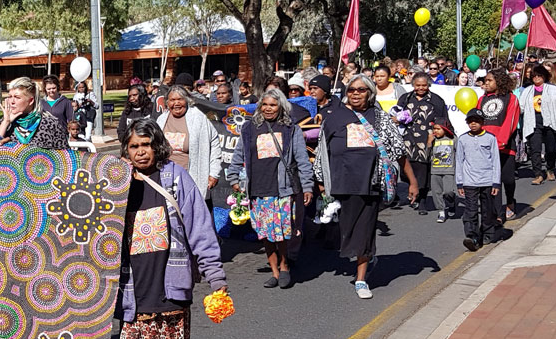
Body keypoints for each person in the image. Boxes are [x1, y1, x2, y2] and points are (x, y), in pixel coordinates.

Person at [118, 119, 227, 339]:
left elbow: (200, 227)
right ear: (126, 150)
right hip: (133, 284)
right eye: (134, 146)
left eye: (146, 145)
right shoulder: (116, 182)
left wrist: (216, 278)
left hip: (171, 282)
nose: (140, 152)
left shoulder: (175, 178)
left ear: (158, 146)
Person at [314, 74, 419, 300]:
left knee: (364, 231)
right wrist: (321, 182)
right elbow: (322, 152)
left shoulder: (379, 117)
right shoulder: (333, 118)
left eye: (361, 90)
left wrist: (413, 182)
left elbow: (399, 151)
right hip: (341, 184)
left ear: (370, 93)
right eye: (352, 90)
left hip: (370, 183)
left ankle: (361, 278)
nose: (355, 94)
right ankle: (368, 256)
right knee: (346, 231)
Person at [227, 88, 313, 289]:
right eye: (264, 104)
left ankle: (284, 266)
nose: (268, 108)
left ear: (281, 107)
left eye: (273, 105)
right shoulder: (249, 129)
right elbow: (238, 155)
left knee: (281, 233)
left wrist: (307, 186)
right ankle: (274, 271)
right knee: (265, 234)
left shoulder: (291, 129)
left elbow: (302, 160)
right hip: (258, 189)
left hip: (282, 190)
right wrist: (233, 178)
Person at [155, 86, 221, 195]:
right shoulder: (161, 120)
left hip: (190, 175)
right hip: (165, 175)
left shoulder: (198, 118)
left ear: (187, 100)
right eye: (172, 100)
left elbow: (214, 143)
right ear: (167, 102)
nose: (176, 103)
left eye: (180, 99)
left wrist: (214, 173)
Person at [396, 72, 447, 213]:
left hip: (426, 139)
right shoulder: (405, 98)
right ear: (413, 85)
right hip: (407, 139)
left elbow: (443, 121)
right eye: (418, 85)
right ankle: (413, 193)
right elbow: (396, 114)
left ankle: (422, 200)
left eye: (424, 85)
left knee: (423, 171)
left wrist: (436, 134)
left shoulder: (436, 101)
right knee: (407, 170)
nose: (421, 88)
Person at [476, 70, 520, 222]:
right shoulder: (481, 99)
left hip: (504, 146)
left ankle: (510, 202)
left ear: (499, 82)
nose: (486, 83)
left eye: (489, 80)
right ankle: (498, 215)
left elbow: (510, 122)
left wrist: (501, 141)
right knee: (494, 181)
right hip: (485, 146)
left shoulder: (511, 98)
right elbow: (477, 120)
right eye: (485, 80)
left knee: (507, 179)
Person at [457, 109, 501, 251]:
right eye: (470, 121)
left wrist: (496, 182)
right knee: (471, 210)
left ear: (482, 122)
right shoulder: (463, 139)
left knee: (487, 209)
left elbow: (496, 161)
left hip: (487, 181)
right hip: (469, 181)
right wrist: (460, 182)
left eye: (476, 121)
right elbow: (459, 161)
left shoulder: (490, 138)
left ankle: (487, 233)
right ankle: (472, 236)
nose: (473, 124)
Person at [518, 65, 556, 185]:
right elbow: (520, 108)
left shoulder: (553, 90)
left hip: (550, 123)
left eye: (539, 75)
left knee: (550, 149)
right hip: (533, 122)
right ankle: (538, 174)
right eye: (534, 76)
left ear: (545, 76)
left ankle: (550, 169)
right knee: (535, 150)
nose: (536, 78)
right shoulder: (527, 91)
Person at [0, 77, 68, 150]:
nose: (11, 102)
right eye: (10, 96)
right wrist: (6, 122)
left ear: (31, 101)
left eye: (17, 97)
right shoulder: (6, 122)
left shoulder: (50, 124)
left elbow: (66, 157)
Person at [428, 119, 456, 223]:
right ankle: (441, 211)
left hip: (449, 170)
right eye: (434, 129)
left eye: (438, 129)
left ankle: (451, 202)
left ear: (445, 129)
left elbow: (458, 153)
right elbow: (426, 154)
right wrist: (429, 143)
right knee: (436, 192)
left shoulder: (453, 139)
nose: (435, 131)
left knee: (448, 191)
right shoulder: (433, 139)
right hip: (435, 170)